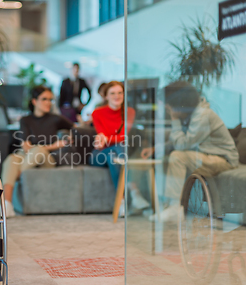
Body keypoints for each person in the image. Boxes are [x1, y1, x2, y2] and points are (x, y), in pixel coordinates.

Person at [141, 81, 239, 221]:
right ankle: (166, 205)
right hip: (206, 154)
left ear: (178, 104)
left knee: (177, 157)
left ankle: (175, 207)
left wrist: (175, 120)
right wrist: (156, 149)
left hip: (223, 159)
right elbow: (183, 140)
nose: (169, 112)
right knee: (165, 158)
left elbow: (182, 145)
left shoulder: (201, 115)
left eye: (169, 109)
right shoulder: (192, 114)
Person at [2, 86, 75, 217]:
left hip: (47, 159)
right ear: (34, 101)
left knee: (39, 149)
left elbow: (76, 129)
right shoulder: (25, 120)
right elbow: (25, 147)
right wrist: (54, 145)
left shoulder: (56, 118)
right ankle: (7, 205)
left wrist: (65, 140)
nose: (48, 102)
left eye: (51, 100)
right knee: (11, 158)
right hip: (28, 156)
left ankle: (17, 174)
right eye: (44, 99)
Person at [89, 81, 136, 189]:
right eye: (112, 93)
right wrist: (104, 140)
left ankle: (122, 200)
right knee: (118, 146)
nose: (117, 96)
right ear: (106, 96)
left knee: (112, 156)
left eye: (120, 93)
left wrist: (106, 139)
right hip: (100, 154)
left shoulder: (129, 112)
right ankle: (133, 189)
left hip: (117, 153)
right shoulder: (97, 113)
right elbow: (103, 138)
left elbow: (124, 136)